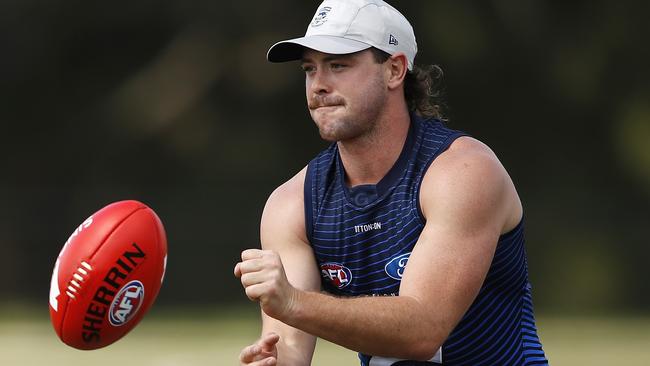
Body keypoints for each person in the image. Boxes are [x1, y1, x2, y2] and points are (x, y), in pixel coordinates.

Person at [234, 0, 548, 365]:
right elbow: (288, 348)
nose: (318, 85)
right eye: (309, 69)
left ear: (395, 70)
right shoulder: (291, 205)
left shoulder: (462, 172)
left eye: (338, 65)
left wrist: (294, 302)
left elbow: (423, 332)